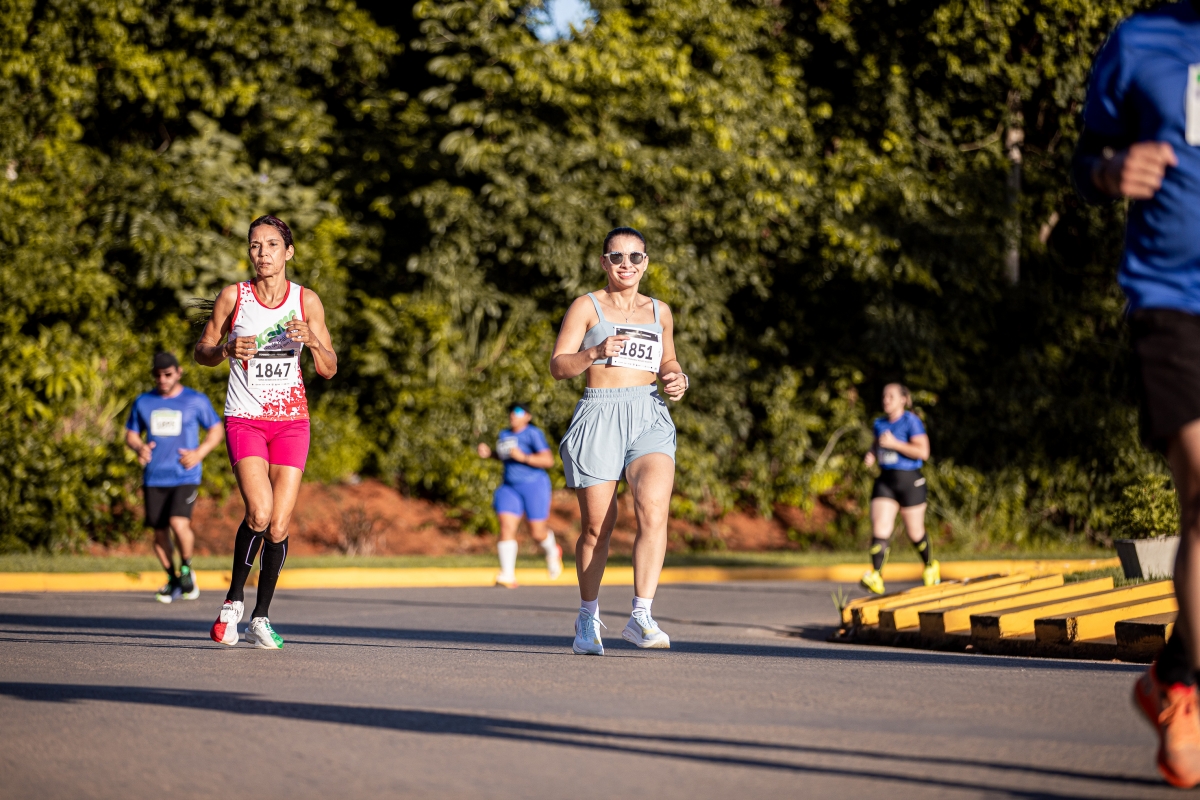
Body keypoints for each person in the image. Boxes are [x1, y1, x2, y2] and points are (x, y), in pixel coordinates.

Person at [1073, 2, 1200, 787]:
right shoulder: (1142, 40)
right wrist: (1108, 171)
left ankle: (1177, 678)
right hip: (1174, 300)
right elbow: (1086, 158)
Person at [193, 214, 337, 650]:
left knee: (278, 524)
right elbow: (202, 351)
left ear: (288, 252)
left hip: (292, 421)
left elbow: (329, 368)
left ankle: (261, 617)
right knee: (258, 512)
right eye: (255, 245)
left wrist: (313, 341)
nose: (263, 254)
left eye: (272, 245)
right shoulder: (233, 297)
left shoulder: (306, 300)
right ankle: (233, 602)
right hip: (245, 418)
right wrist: (225, 349)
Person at [550, 227, 689, 655]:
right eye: (617, 257)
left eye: (634, 257)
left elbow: (668, 359)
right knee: (598, 527)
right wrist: (594, 352)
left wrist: (677, 377)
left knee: (654, 510)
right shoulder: (587, 306)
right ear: (604, 262)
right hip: (600, 415)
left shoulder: (660, 311)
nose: (626, 264)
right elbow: (558, 366)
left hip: (649, 414)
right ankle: (587, 615)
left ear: (645, 262)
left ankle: (641, 616)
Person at [125, 352, 224, 603]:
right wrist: (139, 448)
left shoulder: (195, 400)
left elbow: (216, 429)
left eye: (168, 374)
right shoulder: (144, 401)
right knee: (159, 532)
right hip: (154, 476)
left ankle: (186, 569)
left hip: (185, 474)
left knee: (178, 523)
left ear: (178, 373)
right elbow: (131, 434)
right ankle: (172, 579)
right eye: (158, 375)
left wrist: (199, 453)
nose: (163, 379)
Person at [859, 383, 936, 596]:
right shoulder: (879, 423)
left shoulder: (911, 421)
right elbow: (877, 444)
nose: (886, 400)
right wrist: (871, 454)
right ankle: (876, 575)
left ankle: (930, 566)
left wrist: (895, 444)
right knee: (880, 527)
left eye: (891, 396)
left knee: (915, 532)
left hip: (910, 481)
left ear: (903, 399)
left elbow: (923, 452)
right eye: (884, 396)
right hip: (886, 481)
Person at [476, 403, 564, 588]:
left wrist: (523, 457)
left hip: (534, 485)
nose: (513, 415)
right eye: (511, 411)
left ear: (527, 416)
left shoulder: (533, 433)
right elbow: (505, 456)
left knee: (537, 532)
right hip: (509, 487)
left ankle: (552, 552)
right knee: (506, 526)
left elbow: (548, 460)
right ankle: (507, 574)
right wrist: (490, 453)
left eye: (518, 411)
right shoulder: (504, 434)